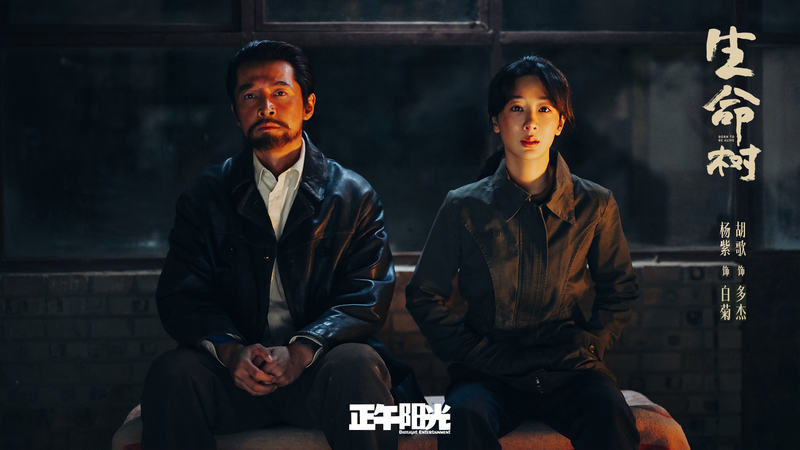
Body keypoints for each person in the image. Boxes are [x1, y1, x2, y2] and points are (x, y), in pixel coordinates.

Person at [141, 40, 415, 450]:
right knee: (172, 373)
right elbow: (182, 296)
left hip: (320, 372)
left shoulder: (352, 195)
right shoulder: (205, 196)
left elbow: (366, 296)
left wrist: (302, 350)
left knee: (359, 362)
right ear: (235, 111)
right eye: (250, 96)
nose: (266, 107)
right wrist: (230, 352)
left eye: (280, 93)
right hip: (235, 377)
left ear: (308, 106)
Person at [405, 55, 641, 450]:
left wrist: (589, 345)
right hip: (488, 373)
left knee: (610, 415)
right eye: (517, 108)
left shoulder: (595, 203)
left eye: (544, 109)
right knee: (463, 418)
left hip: (569, 370)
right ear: (496, 122)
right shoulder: (463, 206)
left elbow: (620, 288)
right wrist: (475, 354)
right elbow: (423, 294)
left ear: (560, 122)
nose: (530, 123)